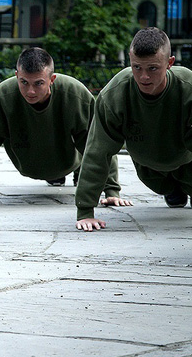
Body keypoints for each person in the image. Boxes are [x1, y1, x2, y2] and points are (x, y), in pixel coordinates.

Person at [0, 47, 129, 228]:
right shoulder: (2, 96)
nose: (30, 91)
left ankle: (73, 173)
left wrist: (111, 190)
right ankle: (55, 176)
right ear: (16, 75)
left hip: (69, 160)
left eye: (38, 83)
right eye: (24, 82)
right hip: (27, 163)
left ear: (52, 79)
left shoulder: (75, 94)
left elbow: (100, 143)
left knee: (86, 149)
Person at [76, 27, 192, 231]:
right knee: (162, 186)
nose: (144, 76)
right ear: (129, 61)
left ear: (170, 63)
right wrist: (85, 210)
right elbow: (97, 151)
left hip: (186, 159)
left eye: (153, 68)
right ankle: (173, 190)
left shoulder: (188, 87)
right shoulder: (114, 94)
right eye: (136, 67)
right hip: (148, 167)